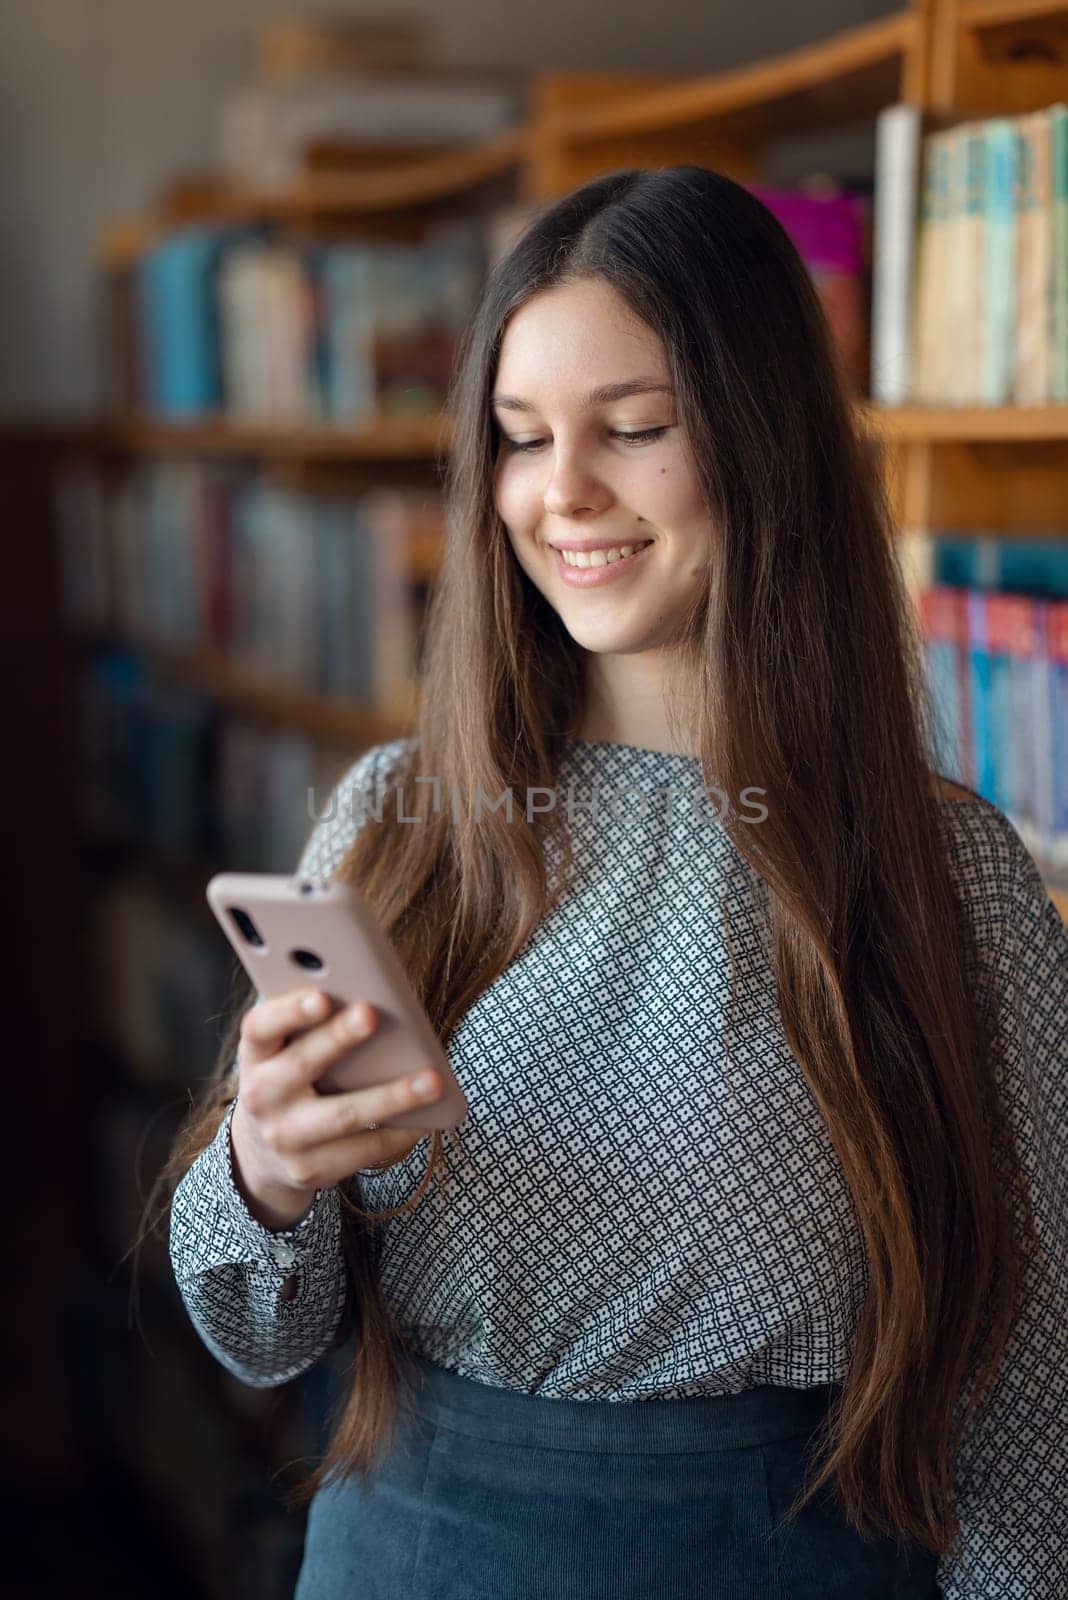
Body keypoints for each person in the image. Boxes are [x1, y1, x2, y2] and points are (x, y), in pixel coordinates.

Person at [158, 167, 1067, 1598]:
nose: (560, 492)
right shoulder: (400, 817)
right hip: (413, 1547)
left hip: (792, 1557)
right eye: (519, 440)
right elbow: (260, 1339)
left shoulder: (948, 876)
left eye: (634, 429)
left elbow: (1028, 1390)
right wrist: (262, 1180)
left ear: (767, 443)